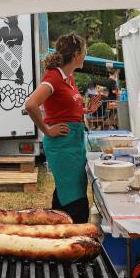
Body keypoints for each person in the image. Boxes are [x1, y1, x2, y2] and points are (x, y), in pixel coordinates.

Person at [24, 34, 101, 223]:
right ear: (76, 54)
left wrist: (85, 109)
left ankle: (57, 227)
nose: (85, 55)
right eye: (84, 52)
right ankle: (74, 231)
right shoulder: (55, 77)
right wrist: (47, 130)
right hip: (62, 145)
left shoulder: (69, 77)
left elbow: (63, 107)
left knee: (69, 190)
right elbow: (31, 104)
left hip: (73, 143)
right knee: (74, 198)